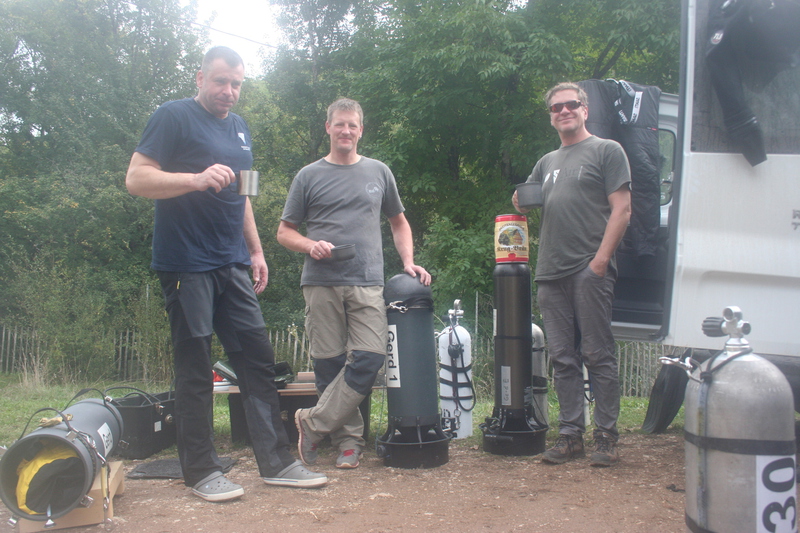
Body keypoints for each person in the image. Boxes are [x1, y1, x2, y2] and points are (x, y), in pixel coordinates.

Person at [125, 46, 327, 501]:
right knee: (195, 368)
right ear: (200, 78)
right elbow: (136, 179)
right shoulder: (172, 116)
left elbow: (243, 196)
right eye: (220, 81)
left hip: (232, 262)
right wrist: (193, 179)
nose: (229, 91)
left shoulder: (240, 128)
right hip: (186, 264)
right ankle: (201, 471)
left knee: (257, 360)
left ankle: (277, 462)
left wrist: (255, 250)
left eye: (236, 84)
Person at [277, 98, 431, 469]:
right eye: (340, 124)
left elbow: (399, 222)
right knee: (329, 364)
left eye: (352, 125)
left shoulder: (379, 172)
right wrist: (310, 245)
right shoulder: (308, 175)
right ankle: (349, 443)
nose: (346, 131)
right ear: (328, 128)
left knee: (370, 358)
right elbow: (284, 232)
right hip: (321, 281)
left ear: (361, 130)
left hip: (367, 280)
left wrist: (408, 262)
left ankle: (312, 423)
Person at [513, 82, 631, 467]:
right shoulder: (547, 162)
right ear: (551, 117)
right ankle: (570, 436)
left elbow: (623, 209)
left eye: (571, 105)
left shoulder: (607, 150)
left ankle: (606, 437)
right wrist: (519, 201)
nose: (563, 111)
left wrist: (600, 262)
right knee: (563, 357)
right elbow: (525, 203)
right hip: (550, 271)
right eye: (556, 107)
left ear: (584, 109)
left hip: (588, 268)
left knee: (597, 353)